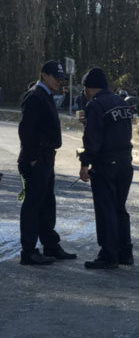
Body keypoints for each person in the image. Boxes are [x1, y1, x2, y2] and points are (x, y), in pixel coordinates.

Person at [18, 60, 77, 265]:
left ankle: (50, 245)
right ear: (44, 75)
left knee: (47, 204)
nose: (59, 81)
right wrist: (33, 158)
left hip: (46, 157)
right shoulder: (35, 95)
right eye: (55, 77)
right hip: (37, 158)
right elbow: (26, 130)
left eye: (60, 78)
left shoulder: (45, 95)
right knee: (33, 206)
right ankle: (28, 251)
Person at [79, 68, 134, 269]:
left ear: (88, 87)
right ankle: (125, 252)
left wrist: (85, 163)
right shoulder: (122, 102)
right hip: (126, 162)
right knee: (120, 208)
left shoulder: (95, 105)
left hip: (106, 164)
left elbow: (92, 139)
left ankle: (108, 254)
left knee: (105, 210)